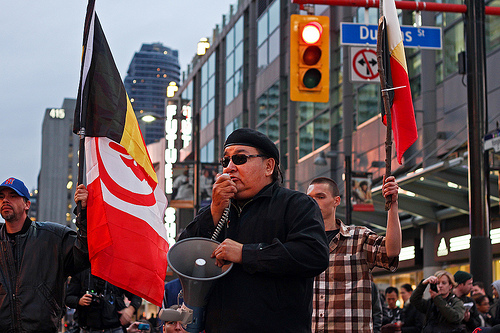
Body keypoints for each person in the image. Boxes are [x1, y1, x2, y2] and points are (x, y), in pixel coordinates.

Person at [178, 128, 330, 332]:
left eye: (240, 158)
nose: (229, 168)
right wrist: (214, 210)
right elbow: (184, 254)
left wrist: (246, 253)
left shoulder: (296, 205)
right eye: (226, 161)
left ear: (268, 166)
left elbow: (313, 254)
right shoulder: (218, 210)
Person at [306, 176, 401, 332]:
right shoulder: (301, 243)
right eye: (309, 198)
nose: (313, 202)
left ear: (336, 201)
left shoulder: (359, 238)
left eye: (320, 197)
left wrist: (393, 204)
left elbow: (392, 250)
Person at [0, 177, 89, 332]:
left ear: (27, 204)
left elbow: (85, 253)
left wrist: (84, 213)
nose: (5, 200)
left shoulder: (53, 237)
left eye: (13, 196)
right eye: (1, 197)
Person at [65, 268, 142, 333]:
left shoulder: (119, 271)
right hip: (88, 327)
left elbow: (137, 295)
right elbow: (68, 298)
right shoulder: (82, 271)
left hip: (114, 327)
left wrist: (130, 310)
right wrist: (79, 301)